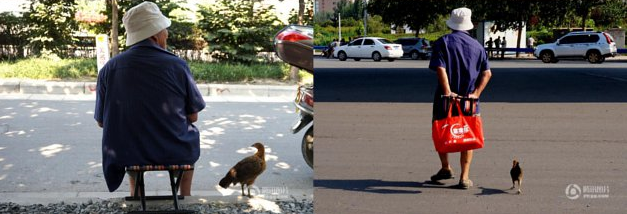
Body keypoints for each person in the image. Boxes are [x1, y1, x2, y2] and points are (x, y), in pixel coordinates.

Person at [94, 1, 206, 196]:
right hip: (175, 150)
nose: (167, 34)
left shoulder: (109, 69)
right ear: (155, 34)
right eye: (165, 30)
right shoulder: (177, 66)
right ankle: (185, 196)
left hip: (126, 153)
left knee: (128, 137)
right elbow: (193, 116)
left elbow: (102, 122)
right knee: (190, 138)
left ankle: (135, 195)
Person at [428, 7, 492, 189]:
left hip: (445, 99)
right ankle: (464, 177)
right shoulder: (478, 47)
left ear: (452, 24)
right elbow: (487, 74)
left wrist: (448, 92)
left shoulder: (443, 42)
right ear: (468, 26)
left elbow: (440, 68)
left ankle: (446, 167)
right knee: (467, 134)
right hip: (469, 100)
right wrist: (476, 94)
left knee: (441, 130)